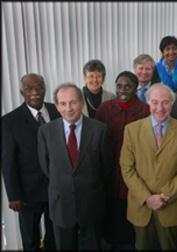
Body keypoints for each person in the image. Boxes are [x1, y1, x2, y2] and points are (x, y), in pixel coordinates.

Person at [119, 83, 177, 250]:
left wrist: (163, 196)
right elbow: (127, 169)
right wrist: (147, 198)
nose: (160, 108)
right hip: (140, 206)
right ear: (148, 103)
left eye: (165, 102)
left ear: (172, 104)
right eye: (154, 102)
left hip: (171, 206)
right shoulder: (131, 130)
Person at [38, 83, 112, 250]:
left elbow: (106, 167)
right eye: (63, 104)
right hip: (61, 204)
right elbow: (46, 166)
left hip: (91, 203)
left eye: (73, 102)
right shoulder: (45, 131)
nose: (68, 108)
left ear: (82, 103)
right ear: (56, 106)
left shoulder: (100, 130)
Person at [2, 73, 59, 250]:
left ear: (45, 89)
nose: (35, 92)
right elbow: (8, 161)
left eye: (39, 87)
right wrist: (14, 195)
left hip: (56, 189)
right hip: (27, 194)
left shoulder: (58, 110)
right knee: (30, 239)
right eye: (29, 88)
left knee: (55, 237)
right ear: (21, 92)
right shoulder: (9, 121)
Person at [95, 71, 150, 249]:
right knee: (111, 207)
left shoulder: (145, 110)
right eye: (119, 86)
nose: (123, 90)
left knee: (133, 206)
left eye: (128, 86)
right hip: (109, 168)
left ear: (136, 88)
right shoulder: (104, 109)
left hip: (136, 169)